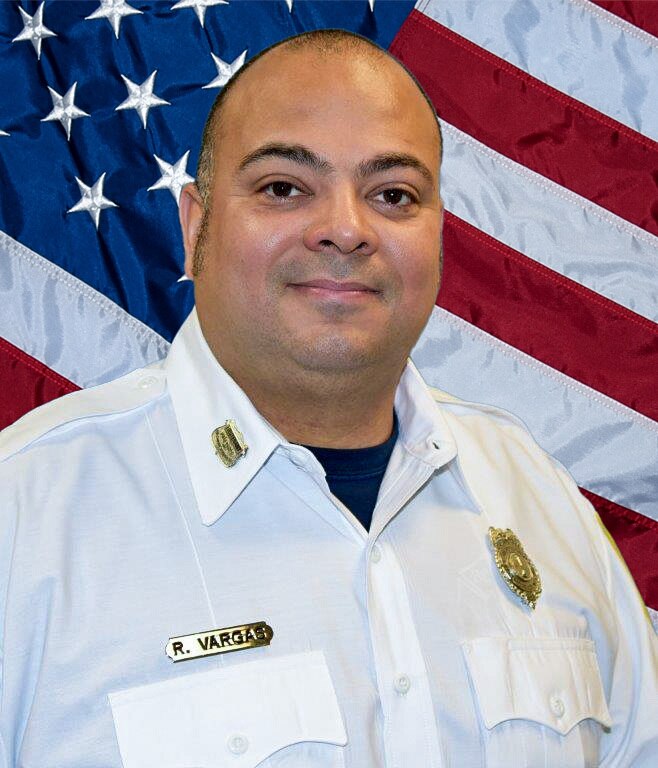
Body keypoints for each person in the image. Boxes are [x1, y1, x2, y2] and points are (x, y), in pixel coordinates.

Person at [1, 29, 656, 768]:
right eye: (284, 187)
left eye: (393, 195)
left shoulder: (537, 498)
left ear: (439, 234)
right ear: (195, 227)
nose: (345, 228)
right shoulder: (27, 515)